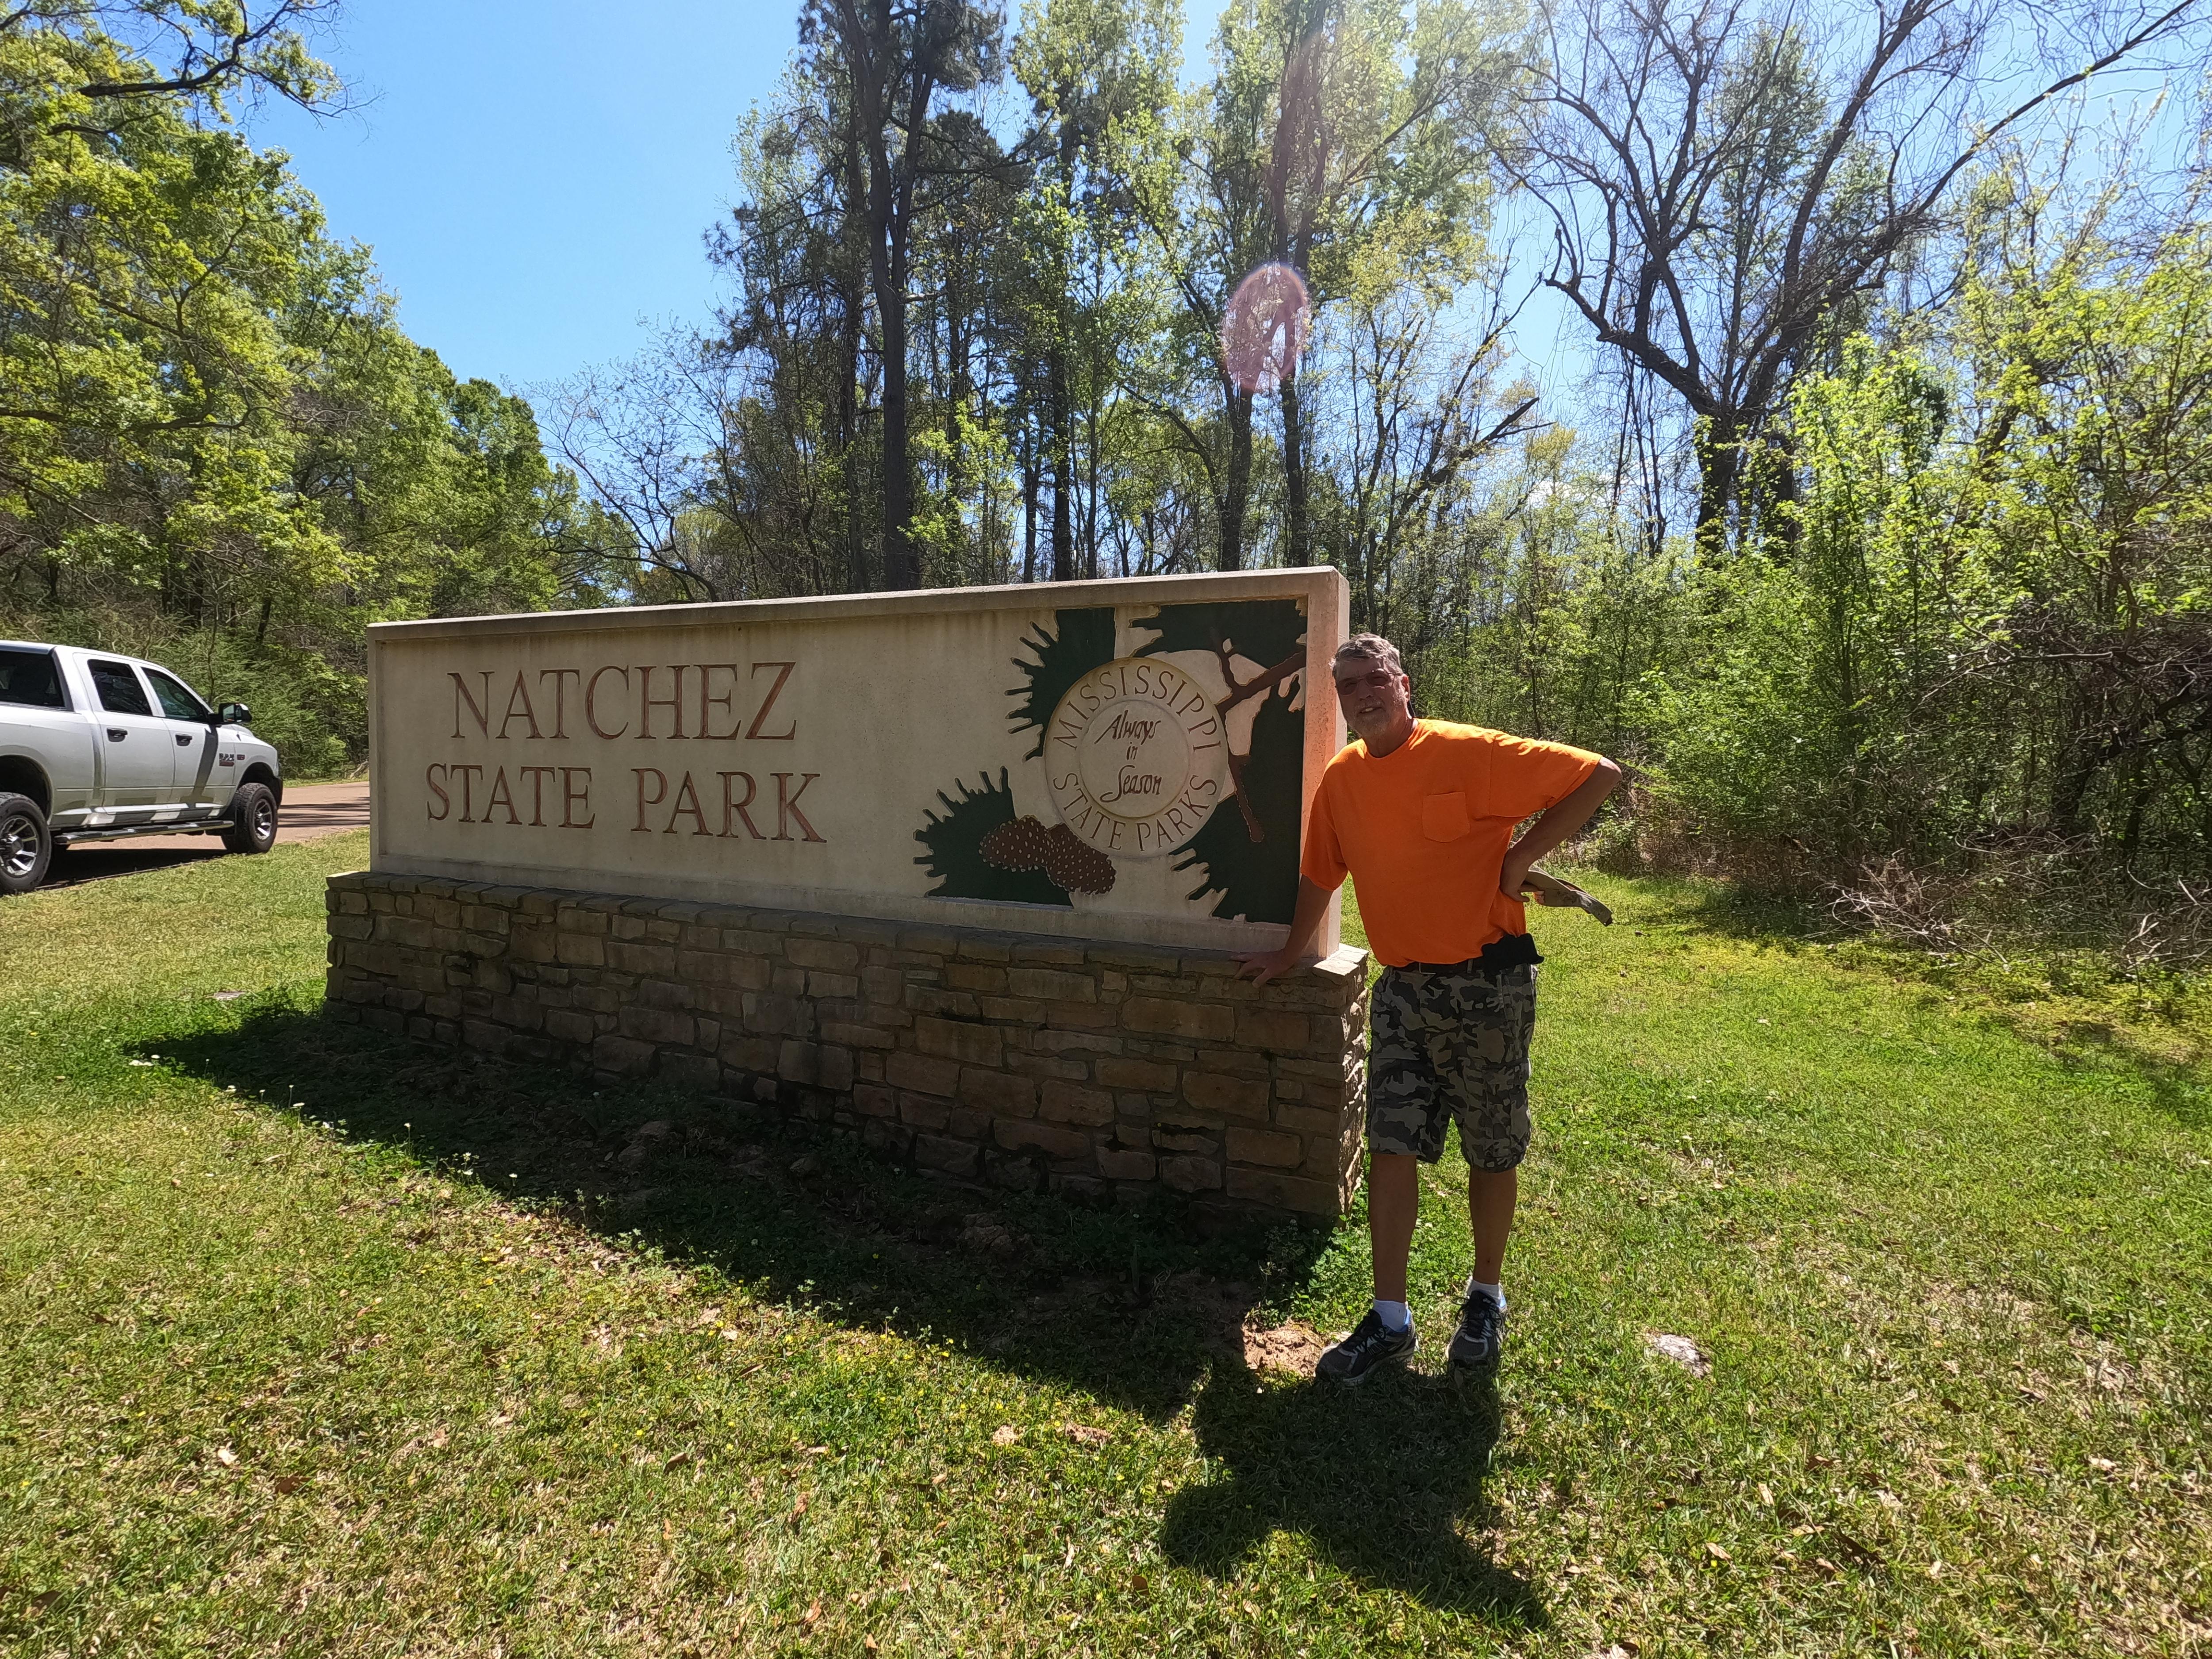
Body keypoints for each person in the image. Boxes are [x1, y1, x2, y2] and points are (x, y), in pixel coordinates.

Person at [1237, 633, 1621, 1383]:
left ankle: (1486, 1294)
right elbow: (1322, 872)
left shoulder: (1468, 752)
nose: (1362, 694)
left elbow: (1598, 776)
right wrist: (1289, 953)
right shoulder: (1343, 781)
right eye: (1347, 687)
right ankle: (1389, 1317)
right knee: (1391, 1144)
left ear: (1403, 682)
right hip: (1404, 990)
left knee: (1493, 1146)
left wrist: (1517, 860)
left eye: (1373, 678)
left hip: (1488, 986)